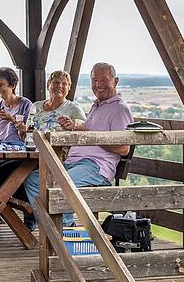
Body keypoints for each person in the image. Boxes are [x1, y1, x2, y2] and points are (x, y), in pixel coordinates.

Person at [24, 63, 133, 227]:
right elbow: (91, 129)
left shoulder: (119, 109)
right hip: (74, 162)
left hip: (96, 167)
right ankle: (50, 228)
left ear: (115, 81)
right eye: (94, 80)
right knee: (33, 180)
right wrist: (75, 127)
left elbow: (124, 148)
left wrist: (90, 136)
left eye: (103, 80)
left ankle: (65, 229)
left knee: (61, 183)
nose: (98, 84)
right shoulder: (97, 105)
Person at [0, 67, 33, 146]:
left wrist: (11, 119)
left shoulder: (26, 105)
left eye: (1, 85)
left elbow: (30, 132)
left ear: (13, 85)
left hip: (19, 148)